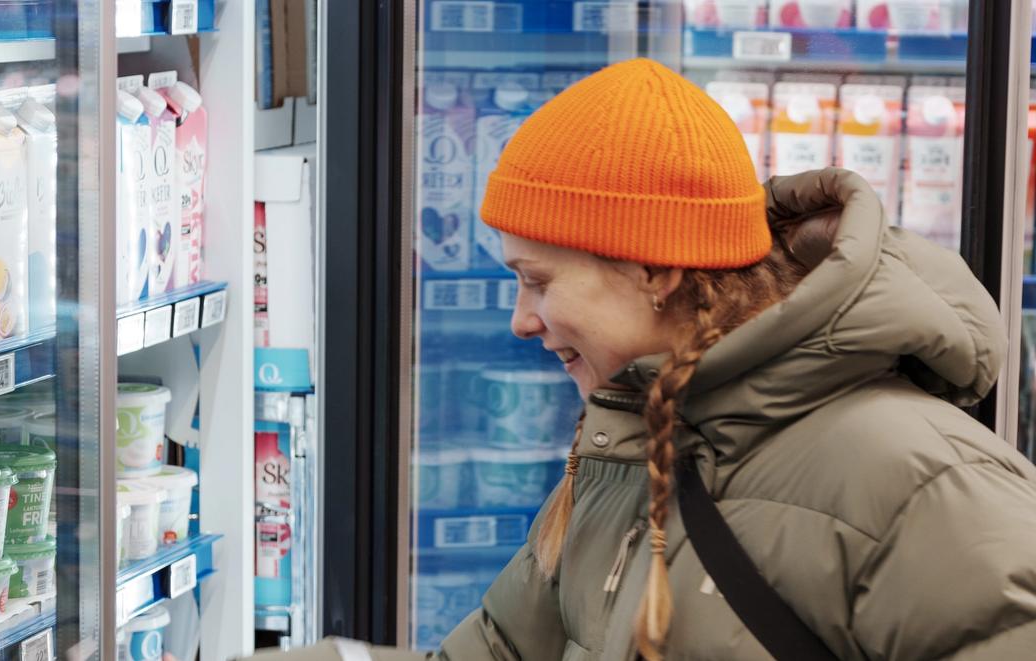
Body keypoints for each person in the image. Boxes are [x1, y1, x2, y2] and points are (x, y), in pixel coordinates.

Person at [254, 59, 1036, 660]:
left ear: (655, 271)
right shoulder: (624, 448)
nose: (523, 321)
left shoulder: (921, 479)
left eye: (539, 281)